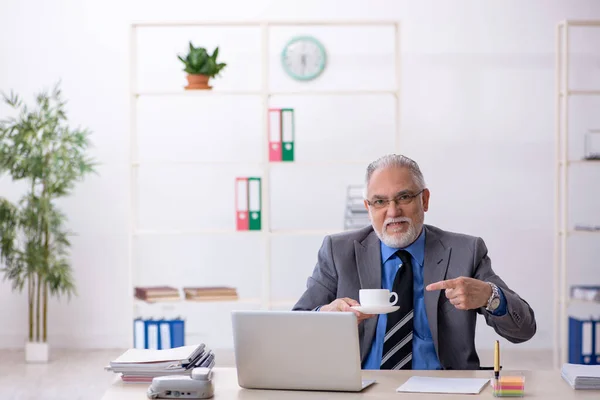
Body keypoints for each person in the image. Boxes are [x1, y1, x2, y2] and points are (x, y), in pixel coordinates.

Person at [292, 154, 536, 370]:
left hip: (444, 391)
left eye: (404, 197)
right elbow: (296, 329)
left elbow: (524, 329)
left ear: (425, 200)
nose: (393, 211)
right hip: (362, 389)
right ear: (368, 208)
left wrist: (489, 296)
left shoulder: (465, 251)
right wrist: (324, 314)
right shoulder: (338, 251)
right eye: (380, 201)